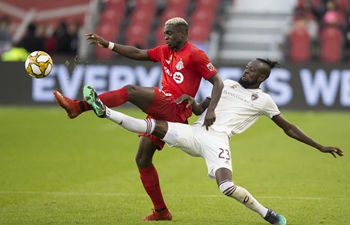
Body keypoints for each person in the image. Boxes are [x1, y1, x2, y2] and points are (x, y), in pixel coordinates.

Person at [82, 58, 343, 225]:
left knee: (226, 186)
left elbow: (288, 128)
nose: (247, 70)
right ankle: (104, 111)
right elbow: (200, 110)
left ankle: (267, 214)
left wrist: (319, 146)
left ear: (261, 78)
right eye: (247, 67)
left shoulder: (264, 101)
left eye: (252, 70)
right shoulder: (227, 84)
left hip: (217, 140)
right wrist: (190, 101)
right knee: (151, 126)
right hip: (196, 132)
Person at [54, 17, 224, 220]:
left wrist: (211, 110)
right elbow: (137, 53)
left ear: (183, 33)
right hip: (165, 109)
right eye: (165, 33)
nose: (166, 37)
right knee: (142, 159)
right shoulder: (164, 51)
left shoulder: (196, 54)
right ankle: (161, 211)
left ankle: (78, 107)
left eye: (170, 33)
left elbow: (218, 83)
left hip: (174, 106)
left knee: (131, 91)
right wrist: (108, 44)